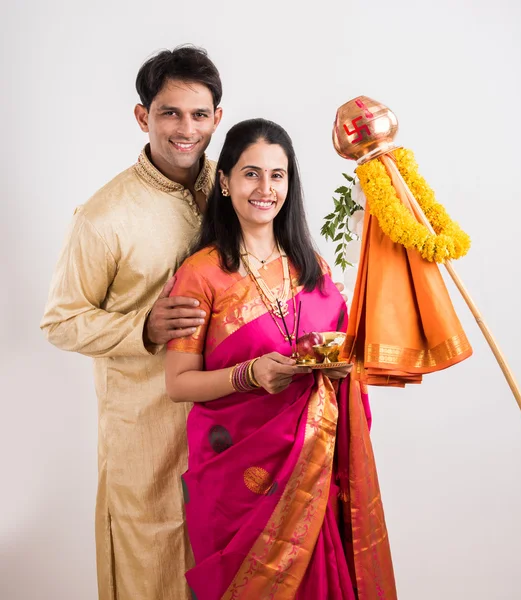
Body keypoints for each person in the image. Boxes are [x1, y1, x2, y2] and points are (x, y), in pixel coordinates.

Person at [165, 118, 397, 599]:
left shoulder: (311, 266)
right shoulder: (200, 274)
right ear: (225, 182)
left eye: (278, 175)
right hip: (235, 475)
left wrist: (339, 368)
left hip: (311, 464)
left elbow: (345, 350)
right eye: (251, 174)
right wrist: (251, 375)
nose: (265, 188)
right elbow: (179, 383)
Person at [40, 46, 222, 600]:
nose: (184, 128)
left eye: (198, 114)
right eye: (169, 112)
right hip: (147, 433)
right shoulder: (105, 216)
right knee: (155, 565)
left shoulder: (233, 188)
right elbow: (61, 321)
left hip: (229, 418)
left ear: (217, 117)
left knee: (230, 561)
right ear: (143, 117)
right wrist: (142, 327)